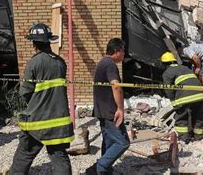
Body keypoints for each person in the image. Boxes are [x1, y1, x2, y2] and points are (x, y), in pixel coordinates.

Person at [9, 23, 73, 175]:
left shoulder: (35, 62)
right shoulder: (60, 62)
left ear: (34, 43)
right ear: (48, 41)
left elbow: (25, 92)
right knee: (59, 155)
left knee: (24, 154)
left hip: (37, 120)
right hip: (59, 120)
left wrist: (34, 104)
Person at [86, 38, 129, 175]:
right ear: (116, 51)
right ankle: (100, 168)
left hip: (102, 110)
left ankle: (105, 171)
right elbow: (116, 87)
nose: (124, 54)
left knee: (109, 142)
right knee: (122, 142)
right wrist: (120, 109)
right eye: (123, 51)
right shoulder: (110, 64)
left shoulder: (103, 63)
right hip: (110, 111)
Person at [161, 51, 203, 143]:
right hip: (201, 96)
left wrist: (174, 102)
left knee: (182, 118)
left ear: (163, 64)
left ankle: (183, 139)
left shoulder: (167, 72)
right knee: (198, 117)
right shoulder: (185, 68)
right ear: (174, 61)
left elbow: (168, 89)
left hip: (185, 97)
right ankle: (200, 138)